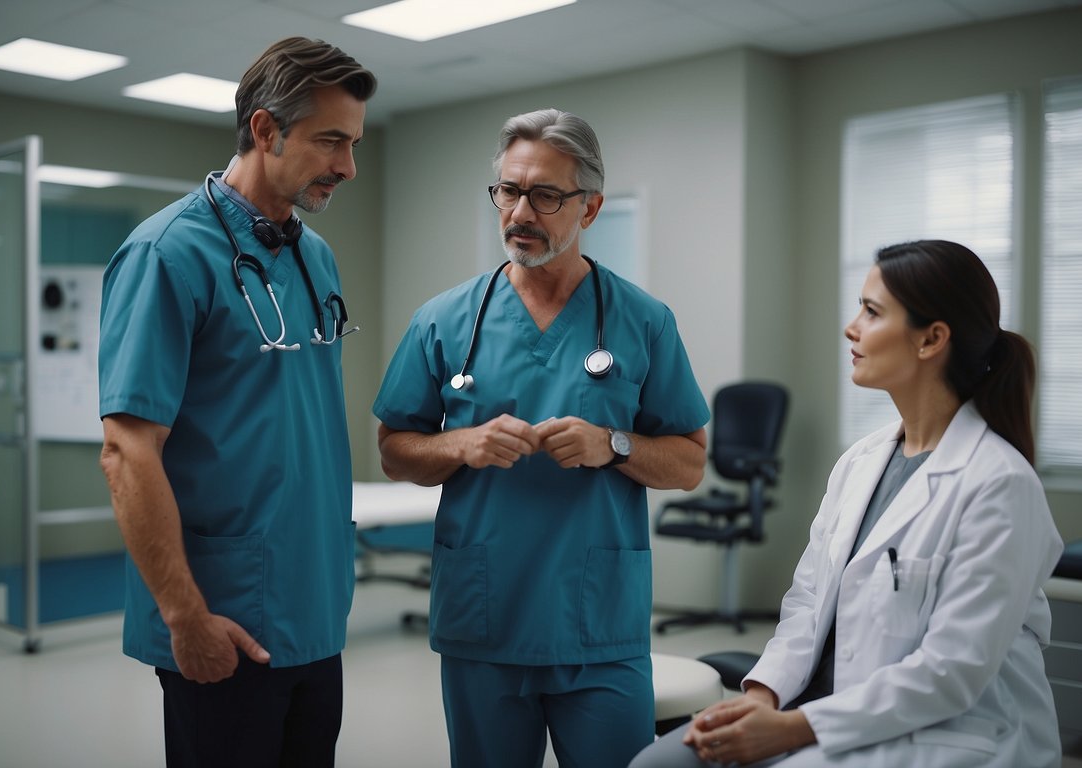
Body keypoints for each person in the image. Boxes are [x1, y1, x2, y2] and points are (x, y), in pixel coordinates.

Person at [630, 240, 1063, 768]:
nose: (851, 327)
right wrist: (761, 698)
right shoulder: (862, 462)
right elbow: (807, 604)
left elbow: (953, 670)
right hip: (820, 709)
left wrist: (790, 729)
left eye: (872, 311)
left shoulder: (1000, 485)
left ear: (931, 339)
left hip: (942, 735)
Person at [373, 108, 712, 768]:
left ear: (590, 208)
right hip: (483, 621)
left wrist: (611, 445)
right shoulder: (444, 321)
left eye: (545, 195)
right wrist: (458, 445)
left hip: (597, 629)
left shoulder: (642, 321)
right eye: (508, 190)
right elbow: (394, 449)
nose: (520, 212)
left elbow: (690, 462)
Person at [97, 36, 375, 768]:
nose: (348, 167)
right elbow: (127, 453)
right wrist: (184, 616)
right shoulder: (166, 254)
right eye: (331, 142)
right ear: (264, 129)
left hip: (315, 612)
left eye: (353, 144)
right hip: (223, 617)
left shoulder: (316, 256)